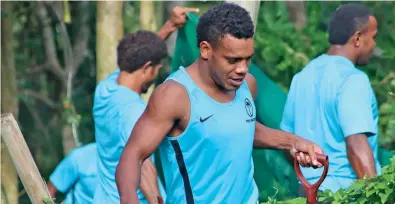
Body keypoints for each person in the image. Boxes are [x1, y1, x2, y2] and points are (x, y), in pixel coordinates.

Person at [115, 3, 324, 204]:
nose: (242, 68)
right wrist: (129, 199)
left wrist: (293, 142)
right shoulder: (174, 96)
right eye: (233, 60)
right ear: (206, 50)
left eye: (247, 59)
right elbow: (133, 155)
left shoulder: (246, 85)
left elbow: (241, 127)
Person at [92, 7, 199, 204]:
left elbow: (138, 55)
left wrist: (170, 26)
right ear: (147, 68)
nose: (156, 75)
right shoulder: (133, 111)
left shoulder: (104, 90)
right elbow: (143, 167)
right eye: (156, 70)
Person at [280, 3, 381, 194]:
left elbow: (287, 142)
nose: (374, 45)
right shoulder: (353, 80)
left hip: (308, 191)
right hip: (346, 194)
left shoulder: (302, 77)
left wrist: (310, 172)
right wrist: (375, 195)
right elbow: (356, 144)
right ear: (357, 38)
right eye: (373, 37)